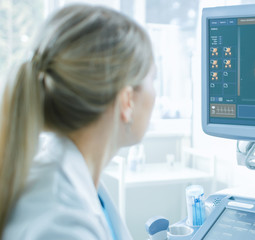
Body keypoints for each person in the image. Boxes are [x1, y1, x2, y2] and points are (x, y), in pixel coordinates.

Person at [0, 4, 155, 239]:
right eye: (153, 79)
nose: (155, 94)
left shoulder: (73, 181)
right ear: (127, 101)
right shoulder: (61, 223)